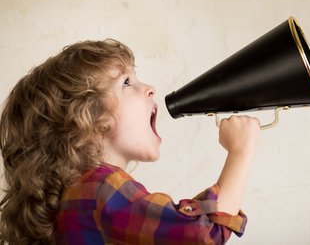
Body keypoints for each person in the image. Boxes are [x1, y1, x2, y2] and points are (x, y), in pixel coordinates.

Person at [0, 39, 260, 244]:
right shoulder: (101, 188)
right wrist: (241, 151)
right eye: (126, 82)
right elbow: (201, 233)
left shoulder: (79, 195)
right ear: (86, 118)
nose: (150, 88)